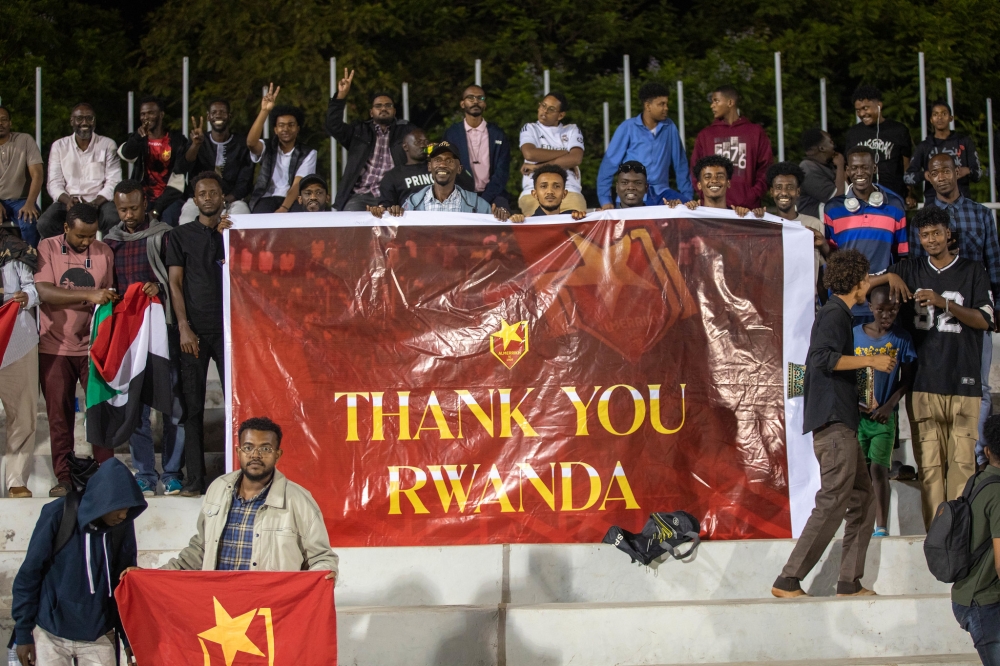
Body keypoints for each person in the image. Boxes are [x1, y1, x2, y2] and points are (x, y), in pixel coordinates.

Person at [772, 249, 892, 599]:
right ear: (857, 284)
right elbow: (821, 360)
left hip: (843, 420)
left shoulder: (838, 313)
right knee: (833, 501)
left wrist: (857, 394)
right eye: (867, 279)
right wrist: (871, 359)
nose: (869, 284)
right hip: (835, 426)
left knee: (864, 499)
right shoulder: (834, 314)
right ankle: (789, 579)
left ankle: (848, 581)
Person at [876, 206, 994, 529]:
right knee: (929, 469)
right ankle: (937, 542)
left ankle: (957, 538)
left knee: (962, 467)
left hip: (963, 382)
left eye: (937, 233)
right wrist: (890, 275)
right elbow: (864, 286)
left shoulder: (973, 270)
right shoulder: (910, 270)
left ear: (948, 233)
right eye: (925, 235)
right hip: (923, 383)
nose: (931, 240)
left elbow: (986, 320)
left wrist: (945, 303)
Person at [144, 417, 337, 578]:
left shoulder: (299, 500)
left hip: (269, 610)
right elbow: (201, 549)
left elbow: (322, 559)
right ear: (238, 452)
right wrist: (150, 577)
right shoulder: (218, 489)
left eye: (266, 449)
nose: (256, 455)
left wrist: (322, 578)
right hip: (219, 608)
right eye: (248, 447)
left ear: (278, 455)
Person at [12, 458, 147, 666]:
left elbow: (124, 586)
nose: (124, 514)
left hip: (99, 635)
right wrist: (23, 633)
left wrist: (129, 639)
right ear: (103, 500)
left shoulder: (121, 527)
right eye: (119, 507)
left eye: (129, 508)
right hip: (50, 632)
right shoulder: (57, 514)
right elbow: (29, 574)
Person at [104, 180, 185, 497]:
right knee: (135, 406)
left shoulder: (164, 235)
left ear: (145, 204)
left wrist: (159, 289)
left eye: (133, 208)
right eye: (121, 208)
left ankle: (173, 471)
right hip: (129, 334)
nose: (127, 214)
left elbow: (179, 281)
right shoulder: (111, 241)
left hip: (162, 330)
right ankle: (144, 473)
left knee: (172, 403)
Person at [918, 152, 1000, 467]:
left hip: (975, 312)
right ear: (928, 177)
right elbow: (916, 263)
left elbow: (993, 263)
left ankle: (976, 457)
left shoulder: (980, 214)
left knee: (981, 387)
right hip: (935, 317)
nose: (941, 176)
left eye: (947, 170)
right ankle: (945, 456)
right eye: (935, 172)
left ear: (957, 173)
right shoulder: (925, 216)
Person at [35, 204, 117, 497]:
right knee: (59, 416)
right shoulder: (47, 247)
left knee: (99, 412)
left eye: (91, 235)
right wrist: (88, 293)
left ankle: (105, 475)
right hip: (54, 347)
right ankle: (65, 478)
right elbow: (44, 291)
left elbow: (109, 297)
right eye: (81, 236)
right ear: (66, 229)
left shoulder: (103, 252)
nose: (86, 242)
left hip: (93, 348)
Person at [166, 172, 228, 496]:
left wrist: (235, 236)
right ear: (194, 199)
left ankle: (238, 476)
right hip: (195, 333)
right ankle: (194, 481)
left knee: (236, 404)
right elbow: (174, 284)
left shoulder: (232, 233)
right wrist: (184, 327)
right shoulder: (179, 236)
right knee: (192, 407)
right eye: (202, 193)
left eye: (213, 192)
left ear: (222, 196)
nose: (207, 197)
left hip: (230, 333)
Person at [853, 284, 916, 536]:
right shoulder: (855, 334)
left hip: (883, 417)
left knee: (879, 469)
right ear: (870, 308)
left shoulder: (902, 338)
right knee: (860, 471)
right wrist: (856, 403)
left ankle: (881, 526)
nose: (886, 316)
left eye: (892, 310)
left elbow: (908, 378)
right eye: (881, 310)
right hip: (857, 416)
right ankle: (860, 524)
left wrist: (890, 405)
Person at [824, 146, 908, 324]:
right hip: (846, 301)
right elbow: (832, 257)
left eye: (865, 167)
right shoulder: (832, 208)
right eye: (854, 168)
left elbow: (902, 257)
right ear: (847, 170)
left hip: (882, 303)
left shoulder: (895, 205)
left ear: (874, 168)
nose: (859, 172)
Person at [325, 69, 415, 211]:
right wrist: (341, 96)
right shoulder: (359, 131)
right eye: (378, 106)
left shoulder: (406, 131)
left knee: (396, 232)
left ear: (394, 111)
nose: (383, 109)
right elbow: (333, 125)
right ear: (371, 112)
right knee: (351, 228)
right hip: (360, 196)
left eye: (388, 105)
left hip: (393, 196)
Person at [951, 413, 1000, 665]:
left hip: (967, 594)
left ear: (988, 451)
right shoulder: (998, 493)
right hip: (984, 603)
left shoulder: (976, 481)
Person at [598, 83, 691, 209]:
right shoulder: (627, 128)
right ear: (648, 106)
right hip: (632, 194)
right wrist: (605, 200)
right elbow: (608, 166)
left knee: (689, 209)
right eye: (661, 104)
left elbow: (680, 165)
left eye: (666, 104)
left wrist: (687, 197)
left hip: (661, 192)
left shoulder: (670, 127)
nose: (666, 108)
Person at [37, 103, 121, 239]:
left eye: (89, 118)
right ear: (72, 121)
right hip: (68, 201)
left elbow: (114, 182)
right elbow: (54, 183)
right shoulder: (59, 146)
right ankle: (61, 256)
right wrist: (67, 200)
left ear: (95, 121)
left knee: (114, 220)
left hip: (99, 202)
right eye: (80, 118)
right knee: (45, 223)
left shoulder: (107, 144)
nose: (85, 123)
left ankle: (107, 257)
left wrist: (95, 203)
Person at [0, 224, 40, 498]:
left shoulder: (15, 250)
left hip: (16, 341)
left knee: (23, 416)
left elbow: (32, 288)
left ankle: (16, 482)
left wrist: (27, 297)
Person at [371, 142, 510, 220]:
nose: (442, 165)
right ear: (430, 167)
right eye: (437, 160)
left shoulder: (478, 205)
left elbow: (496, 236)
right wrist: (389, 213)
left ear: (459, 168)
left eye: (449, 161)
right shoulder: (412, 204)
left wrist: (501, 216)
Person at [689, 85, 773, 209]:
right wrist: (706, 195)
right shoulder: (705, 135)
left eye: (716, 101)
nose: (712, 105)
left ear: (730, 102)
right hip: (714, 208)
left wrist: (753, 195)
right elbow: (695, 169)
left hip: (747, 209)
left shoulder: (755, 132)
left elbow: (766, 167)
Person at [177, 99, 253, 224]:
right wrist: (196, 145)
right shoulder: (198, 141)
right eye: (214, 112)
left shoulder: (241, 144)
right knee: (186, 220)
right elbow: (184, 166)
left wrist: (224, 201)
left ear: (229, 116)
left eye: (222, 112)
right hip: (199, 200)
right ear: (208, 117)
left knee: (242, 217)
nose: (218, 115)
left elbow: (245, 182)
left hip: (231, 202)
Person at [118, 96, 189, 226]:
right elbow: (126, 154)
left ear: (161, 115)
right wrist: (137, 138)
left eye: (151, 113)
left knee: (169, 220)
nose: (146, 117)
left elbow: (180, 173)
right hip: (143, 197)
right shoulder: (139, 139)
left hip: (170, 198)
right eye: (143, 114)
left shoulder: (177, 141)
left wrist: (157, 209)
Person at [248, 84, 317, 215]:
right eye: (281, 125)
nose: (285, 129)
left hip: (294, 199)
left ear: (298, 128)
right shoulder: (267, 146)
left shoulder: (308, 153)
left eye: (291, 125)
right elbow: (251, 143)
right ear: (275, 129)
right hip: (266, 197)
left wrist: (283, 208)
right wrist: (264, 111)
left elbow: (297, 185)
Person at [518, 92, 587, 214]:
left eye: (551, 109)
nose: (544, 111)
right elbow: (530, 154)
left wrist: (536, 167)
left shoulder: (572, 130)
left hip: (569, 190)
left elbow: (576, 158)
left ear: (560, 115)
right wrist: (565, 153)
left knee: (577, 230)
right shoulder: (530, 128)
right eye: (543, 106)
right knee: (534, 232)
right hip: (533, 192)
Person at [443, 85, 511, 206]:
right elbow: (448, 168)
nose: (476, 101)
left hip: (493, 195)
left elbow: (502, 172)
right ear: (462, 104)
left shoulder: (497, 134)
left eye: (480, 98)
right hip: (461, 195)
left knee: (502, 216)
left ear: (484, 104)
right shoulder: (452, 134)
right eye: (471, 97)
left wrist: (484, 200)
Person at [767, 161, 829, 294]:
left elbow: (824, 269)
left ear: (798, 191)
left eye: (790, 187)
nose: (784, 192)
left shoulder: (814, 224)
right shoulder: (764, 225)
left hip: (806, 303)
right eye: (779, 187)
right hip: (773, 301)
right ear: (772, 192)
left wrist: (823, 245)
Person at [905, 101, 982, 206]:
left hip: (962, 201)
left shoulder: (964, 141)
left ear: (951, 118)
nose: (939, 117)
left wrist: (967, 170)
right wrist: (924, 175)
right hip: (934, 202)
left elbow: (978, 175)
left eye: (944, 114)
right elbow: (907, 177)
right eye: (935, 114)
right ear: (931, 120)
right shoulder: (924, 146)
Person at [844, 85, 912, 202]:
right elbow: (848, 169)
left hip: (893, 195)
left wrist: (910, 193)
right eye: (858, 110)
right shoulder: (853, 133)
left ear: (879, 105)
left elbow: (907, 167)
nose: (861, 114)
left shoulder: (898, 130)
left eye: (865, 108)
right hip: (861, 197)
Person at [376, 127, 475, 208]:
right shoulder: (394, 175)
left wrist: (442, 154)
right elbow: (386, 205)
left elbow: (469, 185)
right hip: (411, 222)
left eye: (426, 142)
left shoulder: (439, 168)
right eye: (418, 142)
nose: (424, 145)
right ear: (405, 147)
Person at [0, 105, 44, 248]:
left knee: (29, 221)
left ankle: (29, 262)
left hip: (22, 200)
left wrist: (30, 203)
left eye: (4, 120)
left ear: (10, 123)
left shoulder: (25, 140)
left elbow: (37, 174)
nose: (0, 124)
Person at [671, 155, 763, 218]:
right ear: (699, 185)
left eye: (720, 176)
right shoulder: (690, 215)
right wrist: (673, 210)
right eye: (707, 177)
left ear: (728, 183)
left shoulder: (739, 216)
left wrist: (758, 217)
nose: (714, 180)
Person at [509, 165, 587, 222]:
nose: (550, 191)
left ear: (564, 193)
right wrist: (514, 223)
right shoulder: (526, 223)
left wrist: (583, 220)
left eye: (556, 186)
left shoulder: (573, 219)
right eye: (543, 186)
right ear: (534, 194)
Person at [798, 128, 845, 219]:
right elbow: (837, 198)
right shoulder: (808, 169)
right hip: (816, 227)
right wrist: (840, 166)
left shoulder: (823, 165)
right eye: (831, 142)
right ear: (822, 148)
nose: (834, 146)